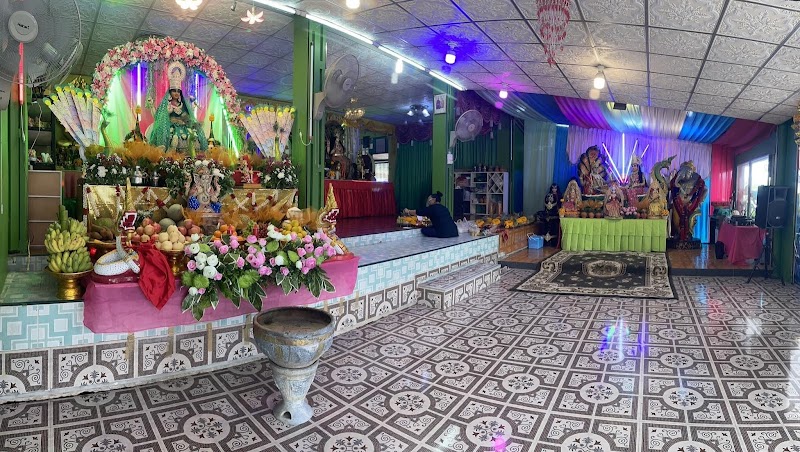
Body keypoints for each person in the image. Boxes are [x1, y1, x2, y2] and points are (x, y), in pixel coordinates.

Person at [149, 61, 207, 153]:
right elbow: (158, 117)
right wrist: (153, 107)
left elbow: (188, 117)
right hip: (170, 126)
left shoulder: (183, 105)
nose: (176, 93)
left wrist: (192, 108)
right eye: (174, 91)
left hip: (183, 126)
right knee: (171, 137)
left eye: (178, 91)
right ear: (170, 92)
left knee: (194, 134)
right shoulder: (166, 105)